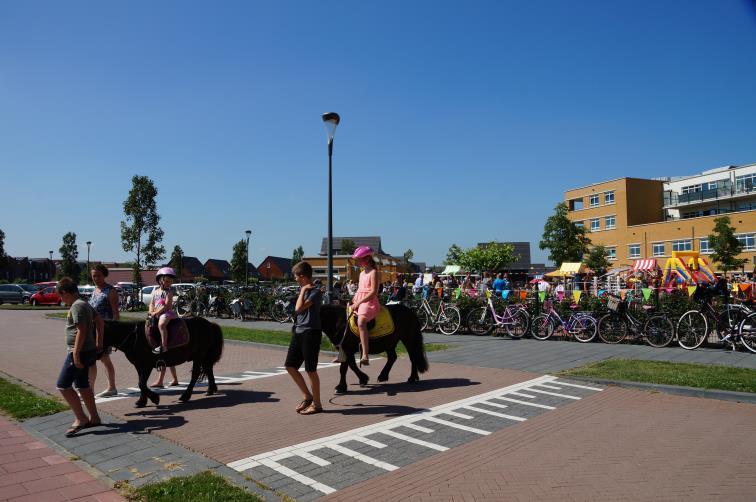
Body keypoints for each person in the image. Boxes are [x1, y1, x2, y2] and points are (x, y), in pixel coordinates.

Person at [55, 277, 102, 437]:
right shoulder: (84, 303)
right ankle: (94, 418)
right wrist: (98, 342)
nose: (61, 300)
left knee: (63, 385)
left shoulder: (77, 306)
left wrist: (75, 354)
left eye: (61, 296)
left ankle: (81, 418)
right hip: (87, 350)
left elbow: (81, 329)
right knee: (82, 385)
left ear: (65, 292)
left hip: (80, 351)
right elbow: (99, 320)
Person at [285, 261, 323, 415]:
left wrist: (302, 291)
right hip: (299, 332)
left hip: (311, 332)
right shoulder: (305, 290)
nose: (295, 279)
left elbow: (298, 309)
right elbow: (296, 312)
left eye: (296, 276)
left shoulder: (315, 291)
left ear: (302, 276)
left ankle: (317, 404)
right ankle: (307, 396)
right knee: (290, 366)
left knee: (310, 370)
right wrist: (302, 290)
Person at [88, 264, 119, 398]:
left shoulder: (110, 290)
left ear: (104, 275)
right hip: (92, 330)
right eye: (94, 275)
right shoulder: (95, 290)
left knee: (105, 359)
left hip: (105, 331)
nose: (95, 278)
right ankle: (90, 389)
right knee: (92, 360)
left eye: (98, 275)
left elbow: (115, 313)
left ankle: (112, 387)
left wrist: (114, 331)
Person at [350, 246, 380, 365]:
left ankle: (365, 355)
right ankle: (343, 350)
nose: (357, 262)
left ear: (367, 259)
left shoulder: (373, 272)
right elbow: (361, 288)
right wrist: (354, 298)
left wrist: (358, 302)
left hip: (369, 301)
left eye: (359, 259)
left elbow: (373, 292)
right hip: (360, 299)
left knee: (361, 322)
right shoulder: (362, 273)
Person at [149, 267, 178, 354]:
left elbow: (165, 305)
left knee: (161, 325)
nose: (169, 283)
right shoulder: (155, 292)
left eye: (171, 281)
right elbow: (152, 303)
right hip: (155, 313)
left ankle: (164, 346)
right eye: (167, 281)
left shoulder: (169, 293)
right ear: (160, 281)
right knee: (147, 325)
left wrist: (156, 312)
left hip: (166, 313)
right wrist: (151, 312)